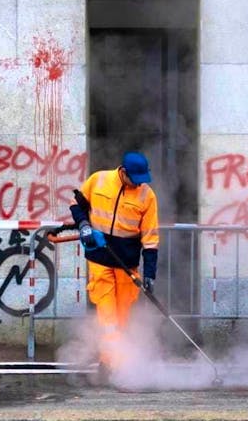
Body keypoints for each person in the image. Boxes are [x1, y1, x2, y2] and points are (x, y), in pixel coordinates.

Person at [69, 151, 159, 370]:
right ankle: (112, 365)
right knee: (107, 316)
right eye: (134, 180)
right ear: (123, 172)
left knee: (123, 316)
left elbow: (150, 238)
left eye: (142, 180)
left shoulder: (147, 196)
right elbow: (76, 203)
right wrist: (83, 225)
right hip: (99, 258)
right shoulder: (99, 180)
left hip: (127, 263)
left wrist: (149, 274)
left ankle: (119, 357)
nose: (138, 185)